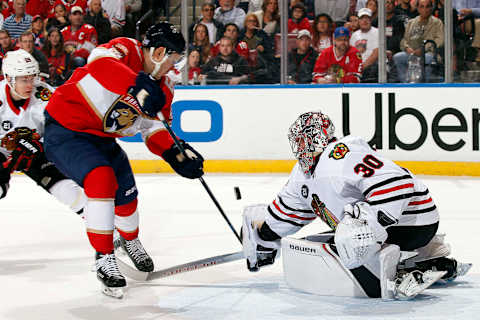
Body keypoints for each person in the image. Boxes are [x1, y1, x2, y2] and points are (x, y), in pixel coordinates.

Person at [44, 22, 204, 298]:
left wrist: (175, 153)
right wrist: (137, 86)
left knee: (127, 193)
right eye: (173, 61)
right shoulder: (127, 49)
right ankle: (104, 258)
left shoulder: (164, 88)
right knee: (101, 179)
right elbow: (99, 65)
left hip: (103, 138)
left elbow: (153, 129)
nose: (173, 68)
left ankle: (130, 240)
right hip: (66, 130)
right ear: (159, 52)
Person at [240, 110, 472, 300]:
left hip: (414, 222)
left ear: (317, 138)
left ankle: (397, 268)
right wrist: (263, 235)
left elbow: (398, 184)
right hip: (395, 229)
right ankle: (427, 256)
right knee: (333, 234)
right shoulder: (301, 176)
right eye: (296, 142)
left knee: (350, 230)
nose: (299, 147)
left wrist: (369, 224)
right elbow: (287, 213)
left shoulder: (342, 155)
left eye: (303, 140)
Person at [0, 49, 86, 220]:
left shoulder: (45, 95)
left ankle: (110, 233)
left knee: (69, 192)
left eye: (32, 78)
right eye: (24, 80)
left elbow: (66, 129)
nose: (30, 85)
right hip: (2, 152)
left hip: (36, 151)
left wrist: (42, 146)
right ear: (9, 78)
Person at [393, 0, 444, 83]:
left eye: (427, 6)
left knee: (428, 58)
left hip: (428, 53)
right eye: (422, 6)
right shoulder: (411, 22)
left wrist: (423, 49)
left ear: (431, 8)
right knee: (398, 57)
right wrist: (406, 48)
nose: (425, 9)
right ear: (418, 8)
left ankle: (423, 84)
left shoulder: (437, 22)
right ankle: (405, 83)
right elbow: (404, 40)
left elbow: (440, 40)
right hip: (411, 52)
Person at [350, 8, 378, 82]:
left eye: (367, 18)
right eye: (362, 18)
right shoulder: (354, 35)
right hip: (357, 67)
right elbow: (351, 54)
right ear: (358, 21)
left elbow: (376, 53)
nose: (364, 21)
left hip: (371, 67)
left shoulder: (377, 32)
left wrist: (362, 67)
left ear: (371, 20)